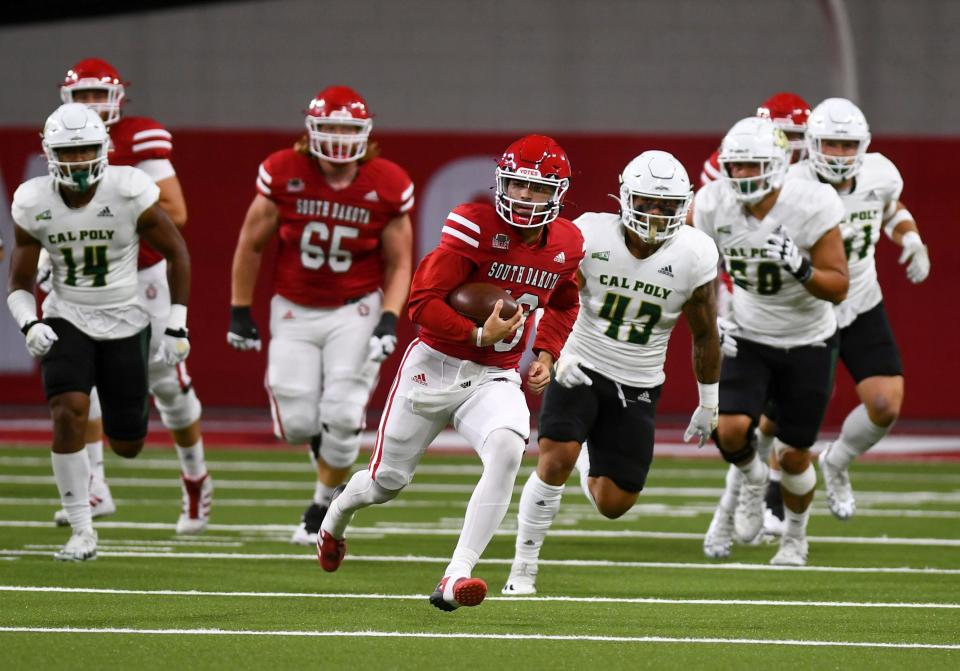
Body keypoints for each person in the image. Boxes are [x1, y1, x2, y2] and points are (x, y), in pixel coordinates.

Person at [317, 135, 585, 611]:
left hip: (495, 375)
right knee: (384, 484)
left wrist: (545, 354)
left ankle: (455, 575)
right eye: (517, 186)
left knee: (507, 448)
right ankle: (335, 515)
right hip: (435, 365)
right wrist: (477, 334)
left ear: (558, 194)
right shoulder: (474, 225)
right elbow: (421, 304)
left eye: (536, 190)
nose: (524, 197)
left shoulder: (566, 242)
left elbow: (565, 302)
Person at [501, 151, 721, 595]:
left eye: (667, 205)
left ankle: (587, 455)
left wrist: (709, 402)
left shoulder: (695, 253)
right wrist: (553, 356)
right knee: (554, 458)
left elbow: (704, 333)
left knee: (613, 503)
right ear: (624, 197)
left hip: (639, 380)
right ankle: (522, 569)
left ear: (685, 206)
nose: (656, 215)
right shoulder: (589, 234)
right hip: (580, 362)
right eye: (647, 202)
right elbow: (553, 299)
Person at [228, 85, 414, 545]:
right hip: (294, 307)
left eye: (346, 128)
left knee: (345, 413)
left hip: (355, 309)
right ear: (310, 131)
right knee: (295, 423)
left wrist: (389, 317)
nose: (336, 137)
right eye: (328, 126)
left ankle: (322, 503)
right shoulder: (283, 171)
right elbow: (251, 243)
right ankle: (326, 452)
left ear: (365, 135)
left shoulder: (387, 182)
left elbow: (400, 260)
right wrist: (239, 309)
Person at [6, 103, 191, 560]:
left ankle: (109, 470)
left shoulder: (129, 190)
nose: (77, 161)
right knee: (68, 409)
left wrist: (176, 323)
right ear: (49, 154)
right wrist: (29, 323)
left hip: (126, 317)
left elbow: (178, 253)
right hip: (67, 314)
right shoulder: (34, 202)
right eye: (67, 152)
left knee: (128, 443)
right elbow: (18, 283)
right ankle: (82, 530)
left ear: (104, 149)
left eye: (86, 149)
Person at [49, 57, 211, 533]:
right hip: (86, 279)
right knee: (84, 377)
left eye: (100, 94)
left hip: (142, 277)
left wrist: (107, 223)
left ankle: (196, 476)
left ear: (118, 97)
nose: (92, 105)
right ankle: (94, 485)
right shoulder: (61, 135)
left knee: (167, 381)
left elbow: (175, 212)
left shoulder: (140, 135)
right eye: (83, 96)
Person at [692, 116, 849, 566]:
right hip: (749, 333)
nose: (741, 175)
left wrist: (800, 267)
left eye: (751, 166)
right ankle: (753, 480)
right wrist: (710, 319)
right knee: (731, 430)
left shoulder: (812, 202)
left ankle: (795, 537)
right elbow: (694, 267)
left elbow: (838, 285)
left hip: (808, 339)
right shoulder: (712, 203)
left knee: (795, 456)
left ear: (779, 165)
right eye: (735, 166)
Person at [783, 98, 929, 519]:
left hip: (862, 300)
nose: (840, 154)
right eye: (831, 143)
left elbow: (890, 209)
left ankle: (838, 460)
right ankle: (768, 504)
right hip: (807, 310)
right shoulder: (792, 184)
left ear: (863, 146)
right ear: (811, 143)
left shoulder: (880, 173)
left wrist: (911, 238)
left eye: (848, 145)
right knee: (787, 421)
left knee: (885, 405)